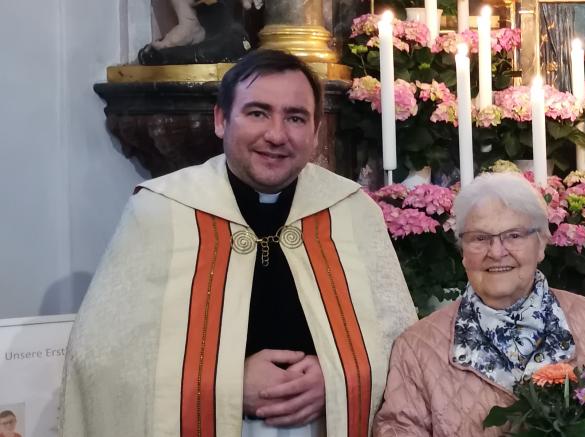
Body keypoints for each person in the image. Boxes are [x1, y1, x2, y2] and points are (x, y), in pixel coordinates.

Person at [61, 50, 417, 437]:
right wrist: (224, 385)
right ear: (221, 119)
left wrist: (339, 375)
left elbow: (400, 345)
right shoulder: (160, 211)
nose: (276, 135)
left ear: (316, 131)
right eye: (257, 113)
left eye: (295, 118)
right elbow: (100, 362)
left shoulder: (351, 211)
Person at [373, 173, 585, 436]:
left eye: (513, 235)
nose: (496, 251)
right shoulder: (416, 348)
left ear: (541, 245)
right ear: (463, 253)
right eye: (480, 238)